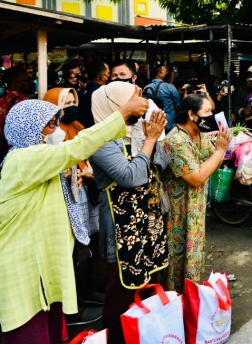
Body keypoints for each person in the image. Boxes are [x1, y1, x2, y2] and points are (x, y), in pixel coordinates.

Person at [0, 93, 149, 344]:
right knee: (29, 334)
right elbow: (78, 146)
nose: (57, 129)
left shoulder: (40, 160)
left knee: (50, 333)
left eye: (56, 122)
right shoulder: (23, 158)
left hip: (40, 263)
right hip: (20, 265)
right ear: (29, 129)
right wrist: (123, 113)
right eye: (50, 124)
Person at [89, 81, 169, 343]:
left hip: (148, 222)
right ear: (115, 106)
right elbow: (131, 176)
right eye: (134, 99)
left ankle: (148, 334)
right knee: (121, 291)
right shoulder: (100, 139)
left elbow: (161, 164)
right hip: (121, 228)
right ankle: (116, 337)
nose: (143, 105)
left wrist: (155, 138)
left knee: (152, 282)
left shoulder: (136, 130)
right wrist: (149, 140)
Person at [43, 87, 105, 325]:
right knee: (71, 252)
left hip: (85, 193)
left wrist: (87, 171)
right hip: (66, 198)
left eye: (72, 101)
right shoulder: (50, 134)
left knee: (86, 244)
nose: (70, 107)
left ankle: (87, 292)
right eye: (64, 103)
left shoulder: (78, 126)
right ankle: (73, 308)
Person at [162, 94, 231, 292]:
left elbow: (215, 162)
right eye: (207, 112)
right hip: (179, 212)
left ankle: (191, 297)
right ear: (192, 114)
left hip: (196, 209)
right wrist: (219, 151)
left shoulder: (199, 134)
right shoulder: (176, 140)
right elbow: (197, 177)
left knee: (193, 255)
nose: (212, 116)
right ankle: (175, 301)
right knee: (177, 257)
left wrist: (219, 151)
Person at [0, 66, 30, 164]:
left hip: (4, 152)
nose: (28, 83)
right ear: (14, 83)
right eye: (26, 79)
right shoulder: (24, 102)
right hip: (21, 153)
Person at [143, 65, 181, 132]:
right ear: (159, 74)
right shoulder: (170, 87)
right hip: (168, 123)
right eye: (166, 72)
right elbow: (178, 103)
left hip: (151, 122)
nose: (168, 73)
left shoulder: (147, 87)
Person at [78, 60, 110, 128]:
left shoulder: (79, 93)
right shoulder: (105, 93)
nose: (109, 76)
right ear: (102, 76)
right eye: (108, 73)